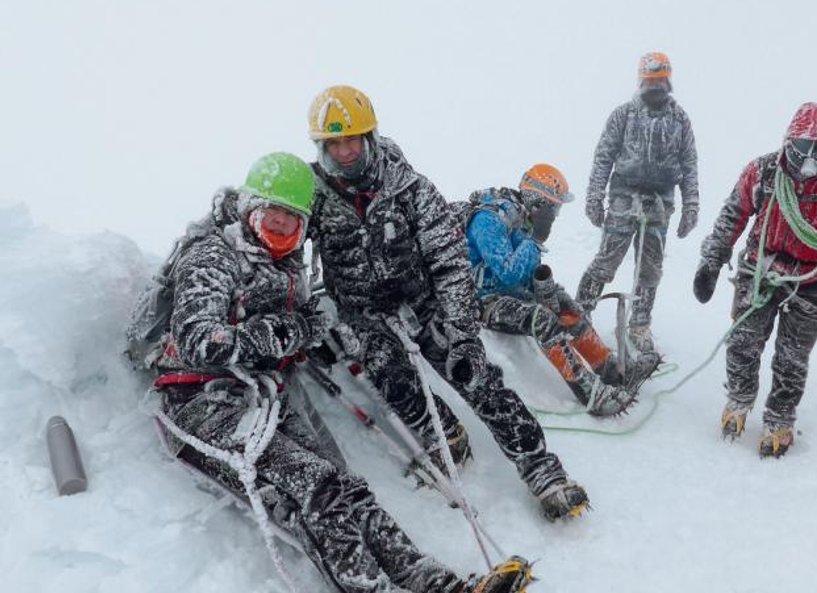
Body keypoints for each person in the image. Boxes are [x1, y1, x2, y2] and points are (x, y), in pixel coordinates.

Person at [135, 152, 532, 593]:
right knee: (317, 485)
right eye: (272, 222)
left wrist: (306, 327)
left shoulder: (283, 266)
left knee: (347, 488)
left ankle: (439, 584)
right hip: (199, 404)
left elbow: (307, 319)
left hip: (259, 397)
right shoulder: (213, 256)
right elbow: (199, 339)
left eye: (292, 230)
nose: (279, 237)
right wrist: (280, 333)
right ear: (249, 210)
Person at [305, 84, 588, 521]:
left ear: (370, 138)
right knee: (391, 378)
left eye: (352, 141)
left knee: (477, 378)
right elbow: (274, 224)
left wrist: (460, 329)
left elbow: (450, 261)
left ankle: (541, 468)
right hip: (365, 315)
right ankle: (445, 435)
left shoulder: (411, 189)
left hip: (425, 304)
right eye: (334, 143)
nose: (344, 152)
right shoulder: (312, 195)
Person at [693, 102, 817, 458]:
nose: (810, 161)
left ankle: (780, 418)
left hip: (814, 279)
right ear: (788, 141)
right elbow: (732, 214)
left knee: (792, 357)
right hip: (761, 268)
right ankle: (739, 398)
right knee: (744, 342)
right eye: (802, 148)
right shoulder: (763, 171)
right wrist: (711, 261)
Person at [458, 163, 661, 416]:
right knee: (540, 319)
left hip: (508, 294)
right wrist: (534, 241)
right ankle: (591, 394)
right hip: (483, 303)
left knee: (564, 302)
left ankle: (612, 370)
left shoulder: (520, 219)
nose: (554, 214)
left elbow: (523, 273)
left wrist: (544, 289)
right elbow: (508, 271)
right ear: (538, 201)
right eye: (553, 206)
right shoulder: (488, 220)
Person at [575, 51, 700, 353]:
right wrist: (594, 196)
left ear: (668, 81)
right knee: (607, 260)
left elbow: (689, 163)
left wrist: (691, 204)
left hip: (660, 203)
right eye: (650, 80)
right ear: (642, 80)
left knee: (650, 269)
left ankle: (640, 324)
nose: (656, 85)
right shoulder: (623, 115)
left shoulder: (679, 119)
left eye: (661, 80)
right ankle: (578, 313)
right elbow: (603, 156)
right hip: (622, 197)